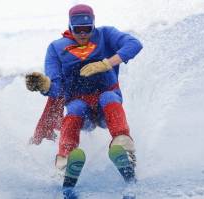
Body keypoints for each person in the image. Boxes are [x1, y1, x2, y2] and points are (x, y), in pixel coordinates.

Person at [26, 3, 142, 183]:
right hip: (80, 104)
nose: (82, 34)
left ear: (93, 25)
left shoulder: (106, 35)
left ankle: (124, 146)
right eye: (78, 29)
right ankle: (65, 160)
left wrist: (107, 63)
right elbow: (58, 90)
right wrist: (44, 85)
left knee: (109, 97)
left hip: (107, 100)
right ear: (70, 27)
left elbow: (134, 44)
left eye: (87, 29)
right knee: (75, 109)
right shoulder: (56, 48)